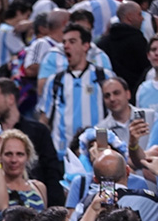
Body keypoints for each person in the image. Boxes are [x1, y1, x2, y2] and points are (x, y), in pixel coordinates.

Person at [0, 77, 64, 207]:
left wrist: (56, 210)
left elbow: (52, 172)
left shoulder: (39, 131)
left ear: (10, 99)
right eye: (8, 154)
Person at [39, 23, 112, 159]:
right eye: (64, 42)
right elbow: (45, 119)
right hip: (62, 155)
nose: (66, 46)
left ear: (85, 46)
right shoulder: (54, 81)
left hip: (97, 153)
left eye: (72, 42)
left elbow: (114, 114)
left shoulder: (105, 77)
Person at [97, 0, 149, 97]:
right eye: (139, 14)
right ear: (129, 17)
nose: (142, 19)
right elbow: (146, 68)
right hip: (135, 92)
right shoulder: (138, 40)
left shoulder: (103, 43)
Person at [0, 129, 48, 211]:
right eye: (8, 154)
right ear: (0, 157)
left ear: (27, 157)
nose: (14, 160)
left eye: (20, 154)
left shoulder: (39, 187)